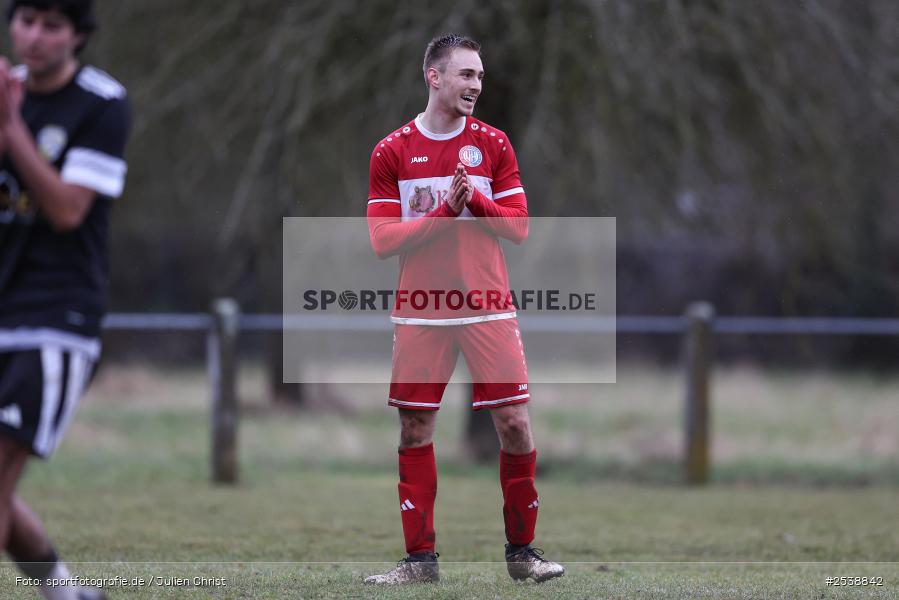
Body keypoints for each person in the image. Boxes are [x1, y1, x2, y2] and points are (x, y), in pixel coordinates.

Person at [364, 34, 564, 585]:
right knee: (414, 429)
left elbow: (518, 229)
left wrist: (472, 199)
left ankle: (523, 555)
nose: (476, 85)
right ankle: (419, 563)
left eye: (480, 76)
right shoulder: (392, 151)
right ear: (434, 77)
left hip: (487, 307)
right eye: (466, 75)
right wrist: (445, 212)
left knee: (516, 425)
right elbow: (383, 241)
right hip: (422, 310)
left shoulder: (494, 145)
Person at [0, 1, 129, 598]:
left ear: (77, 34)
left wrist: (10, 129)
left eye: (52, 26)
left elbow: (66, 209)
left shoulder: (101, 104)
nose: (34, 36)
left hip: (55, 319)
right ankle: (68, 595)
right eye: (26, 20)